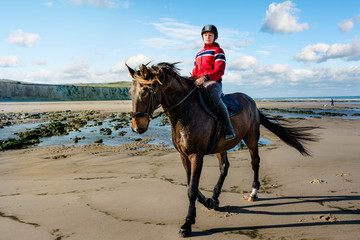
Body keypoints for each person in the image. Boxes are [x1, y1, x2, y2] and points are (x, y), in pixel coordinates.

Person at [191, 24, 235, 140]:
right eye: (205, 35)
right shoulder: (198, 54)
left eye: (210, 35)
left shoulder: (218, 51)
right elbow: (195, 72)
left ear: (215, 37)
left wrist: (205, 77)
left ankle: (229, 128)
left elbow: (219, 71)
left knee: (215, 98)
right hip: (198, 82)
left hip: (213, 82)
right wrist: (190, 79)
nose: (207, 37)